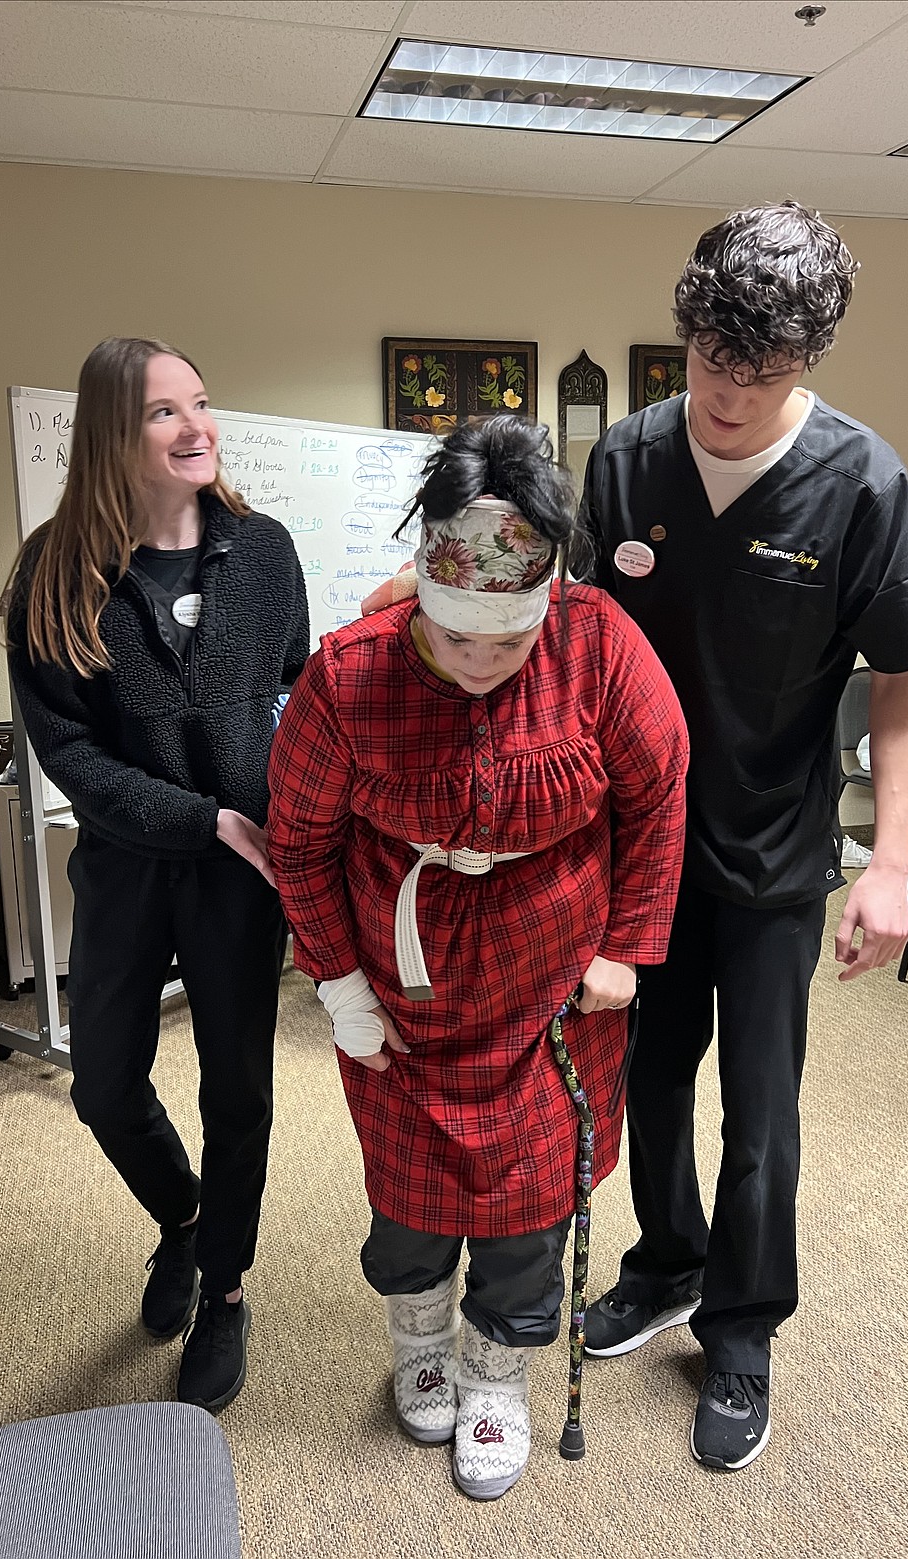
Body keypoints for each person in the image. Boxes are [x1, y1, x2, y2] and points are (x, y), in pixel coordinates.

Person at [577, 202, 908, 1471]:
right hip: (640, 853)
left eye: (765, 373)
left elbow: (902, 690)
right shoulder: (626, 462)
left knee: (761, 1110)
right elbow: (577, 643)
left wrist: (894, 866)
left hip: (772, 858)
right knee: (648, 1081)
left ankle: (741, 1328)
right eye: (708, 363)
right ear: (684, 332)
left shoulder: (862, 481)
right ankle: (670, 1261)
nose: (729, 396)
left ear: (811, 359)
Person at [267, 417, 688, 1500]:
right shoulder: (349, 673)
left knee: (531, 1204)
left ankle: (497, 1370)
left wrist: (628, 949)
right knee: (409, 1207)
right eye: (460, 642)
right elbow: (301, 841)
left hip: (554, 995)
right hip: (405, 1003)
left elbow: (657, 796)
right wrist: (340, 981)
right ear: (422, 603)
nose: (483, 667)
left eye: (507, 646)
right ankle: (420, 1340)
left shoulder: (599, 643)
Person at [1, 337, 309, 1413]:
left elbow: (295, 687)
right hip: (131, 866)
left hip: (244, 879)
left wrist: (282, 810)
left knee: (240, 1090)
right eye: (163, 414)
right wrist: (199, 815)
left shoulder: (264, 552)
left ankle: (222, 1283)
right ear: (109, 438)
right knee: (104, 1086)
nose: (197, 428)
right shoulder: (52, 573)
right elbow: (70, 753)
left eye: (203, 404)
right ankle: (181, 1217)